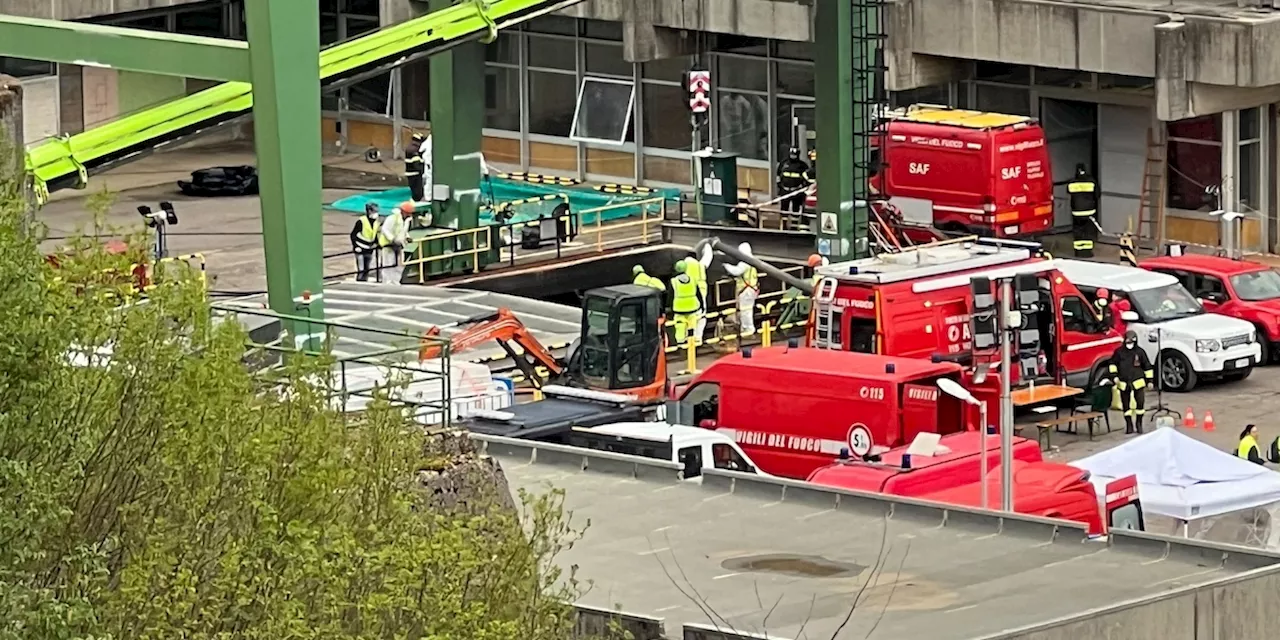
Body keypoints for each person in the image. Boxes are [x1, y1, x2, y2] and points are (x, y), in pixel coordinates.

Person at [1108, 329, 1154, 435]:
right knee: (1126, 406)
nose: (1129, 345)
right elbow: (1112, 364)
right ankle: (1129, 425)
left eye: (1131, 342)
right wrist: (1114, 377)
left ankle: (1139, 424)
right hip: (1123, 383)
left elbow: (1147, 366)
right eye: (1128, 342)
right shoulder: (1119, 352)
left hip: (1138, 382)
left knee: (1140, 404)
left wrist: (1150, 381)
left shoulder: (1140, 352)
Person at [723, 242, 759, 336]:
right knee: (747, 310)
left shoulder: (745, 262)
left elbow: (736, 271)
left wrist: (726, 265)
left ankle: (748, 329)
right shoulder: (753, 260)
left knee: (745, 310)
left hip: (746, 290)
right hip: (751, 288)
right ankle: (745, 327)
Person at [680, 245, 714, 344]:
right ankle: (698, 338)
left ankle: (687, 338)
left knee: (688, 317)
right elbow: (708, 257)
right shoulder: (700, 265)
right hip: (701, 294)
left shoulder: (684, 265)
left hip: (686, 294)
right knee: (701, 317)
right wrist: (708, 246)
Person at [1067, 164, 1099, 258]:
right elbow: (1097, 195)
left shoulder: (1072, 183)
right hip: (1089, 212)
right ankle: (1087, 253)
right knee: (1088, 232)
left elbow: (1068, 192)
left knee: (1078, 232)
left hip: (1076, 212)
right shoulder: (1091, 182)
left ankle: (1078, 252)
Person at [377, 203, 414, 284]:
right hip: (389, 245)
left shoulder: (406, 220)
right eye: (408, 213)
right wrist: (392, 239)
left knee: (399, 265)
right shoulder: (392, 218)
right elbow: (385, 229)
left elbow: (403, 231)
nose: (409, 215)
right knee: (388, 264)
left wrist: (407, 237)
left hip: (399, 245)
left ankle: (396, 281)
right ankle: (387, 282)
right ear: (403, 211)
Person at [669, 260, 704, 344]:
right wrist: (702, 306)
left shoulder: (673, 281)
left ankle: (681, 345)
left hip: (679, 310)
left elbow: (670, 297)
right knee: (692, 326)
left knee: (680, 327)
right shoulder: (693, 279)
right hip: (693, 308)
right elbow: (698, 294)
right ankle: (692, 344)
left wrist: (669, 310)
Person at [350, 203, 382, 282]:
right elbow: (353, 235)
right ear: (368, 211)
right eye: (374, 211)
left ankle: (364, 281)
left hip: (369, 249)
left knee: (367, 268)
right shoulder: (361, 221)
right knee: (361, 269)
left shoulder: (376, 222)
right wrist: (355, 246)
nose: (376, 213)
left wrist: (378, 244)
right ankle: (359, 282)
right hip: (360, 248)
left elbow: (374, 234)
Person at [776, 147, 812, 213]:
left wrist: (803, 188)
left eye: (795, 155)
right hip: (785, 190)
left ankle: (795, 222)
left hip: (796, 191)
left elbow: (807, 178)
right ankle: (784, 222)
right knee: (784, 210)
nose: (793, 156)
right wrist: (780, 186)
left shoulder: (802, 165)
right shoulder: (783, 163)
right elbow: (778, 175)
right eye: (792, 154)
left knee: (796, 209)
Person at [405, 132, 427, 203]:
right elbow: (417, 165)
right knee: (418, 194)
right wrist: (424, 171)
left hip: (411, 174)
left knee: (415, 193)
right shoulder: (414, 150)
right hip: (415, 175)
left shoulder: (411, 148)